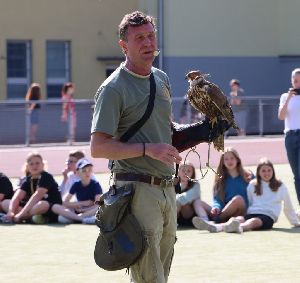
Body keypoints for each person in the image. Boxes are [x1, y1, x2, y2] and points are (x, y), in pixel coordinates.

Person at [90, 11, 228, 283]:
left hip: (166, 187)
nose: (147, 42)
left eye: (151, 36)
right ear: (123, 46)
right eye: (139, 38)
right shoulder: (113, 88)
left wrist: (203, 131)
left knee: (159, 273)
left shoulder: (161, 78)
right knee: (149, 276)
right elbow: (98, 146)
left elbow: (168, 136)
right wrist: (147, 149)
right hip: (135, 189)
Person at [215, 158, 300, 233]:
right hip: (253, 212)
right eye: (263, 171)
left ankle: (239, 228)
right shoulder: (253, 184)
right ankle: (218, 227)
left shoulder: (280, 185)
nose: (266, 173)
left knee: (254, 222)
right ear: (258, 172)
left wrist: (295, 222)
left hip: (268, 216)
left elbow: (288, 206)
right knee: (239, 219)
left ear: (273, 171)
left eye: (269, 170)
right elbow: (250, 202)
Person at [192, 147, 253, 232]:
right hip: (225, 210)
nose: (229, 161)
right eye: (226, 159)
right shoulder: (221, 179)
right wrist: (216, 207)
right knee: (198, 202)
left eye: (232, 158)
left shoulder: (248, 176)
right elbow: (217, 199)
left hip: (242, 211)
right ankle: (206, 220)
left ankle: (215, 221)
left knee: (238, 199)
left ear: (237, 160)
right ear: (223, 162)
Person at [1, 152, 62, 224]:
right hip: (32, 208)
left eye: (37, 163)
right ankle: (29, 218)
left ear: (42, 165)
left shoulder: (46, 177)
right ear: (27, 166)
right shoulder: (28, 179)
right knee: (5, 203)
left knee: (42, 204)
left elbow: (37, 196)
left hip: (48, 209)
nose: (34, 166)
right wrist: (10, 212)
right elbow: (17, 197)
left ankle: (21, 217)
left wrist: (20, 215)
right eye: (31, 164)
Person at [52, 158, 102, 224]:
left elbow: (97, 204)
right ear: (78, 172)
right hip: (79, 210)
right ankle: (81, 219)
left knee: (100, 207)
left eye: (89, 170)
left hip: (90, 211)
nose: (87, 172)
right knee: (57, 209)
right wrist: (81, 203)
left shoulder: (96, 184)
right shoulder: (76, 184)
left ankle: (77, 218)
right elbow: (64, 202)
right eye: (84, 170)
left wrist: (83, 210)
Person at [278, 68, 300, 211]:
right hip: (290, 137)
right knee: (296, 174)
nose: (297, 84)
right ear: (292, 81)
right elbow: (281, 116)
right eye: (295, 80)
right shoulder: (285, 96)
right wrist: (289, 99)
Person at [176, 162, 210, 227]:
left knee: (182, 202)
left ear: (192, 173)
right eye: (183, 170)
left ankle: (205, 221)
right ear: (178, 172)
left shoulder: (195, 185)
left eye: (189, 171)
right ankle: (168, 223)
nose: (186, 173)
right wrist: (181, 186)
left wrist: (180, 188)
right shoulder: (173, 184)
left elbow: (182, 199)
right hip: (177, 217)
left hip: (190, 217)